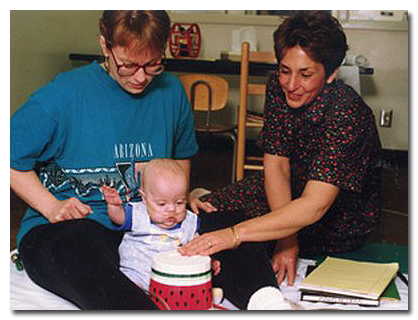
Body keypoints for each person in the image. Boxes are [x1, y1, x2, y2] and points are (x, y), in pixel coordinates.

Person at [10, 11, 198, 310]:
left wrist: (181, 199)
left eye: (152, 65)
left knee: (231, 227)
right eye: (128, 65)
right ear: (104, 46)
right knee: (81, 252)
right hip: (76, 228)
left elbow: (181, 159)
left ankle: (268, 304)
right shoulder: (63, 95)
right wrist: (51, 205)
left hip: (148, 226)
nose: (140, 77)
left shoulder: (171, 91)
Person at [182, 10, 382, 288]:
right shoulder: (278, 86)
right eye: (285, 70)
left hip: (338, 214)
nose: (291, 85)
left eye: (306, 74)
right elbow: (276, 165)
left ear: (332, 73)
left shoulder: (347, 112)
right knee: (206, 213)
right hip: (291, 189)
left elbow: (314, 206)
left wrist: (235, 234)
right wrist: (286, 239)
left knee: (234, 240)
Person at [102, 158, 289, 310]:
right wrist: (114, 205)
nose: (171, 211)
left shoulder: (188, 222)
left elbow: (201, 245)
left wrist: (209, 260)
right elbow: (118, 217)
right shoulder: (140, 213)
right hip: (136, 276)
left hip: (174, 281)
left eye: (179, 202)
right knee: (126, 294)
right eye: (161, 204)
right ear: (144, 197)